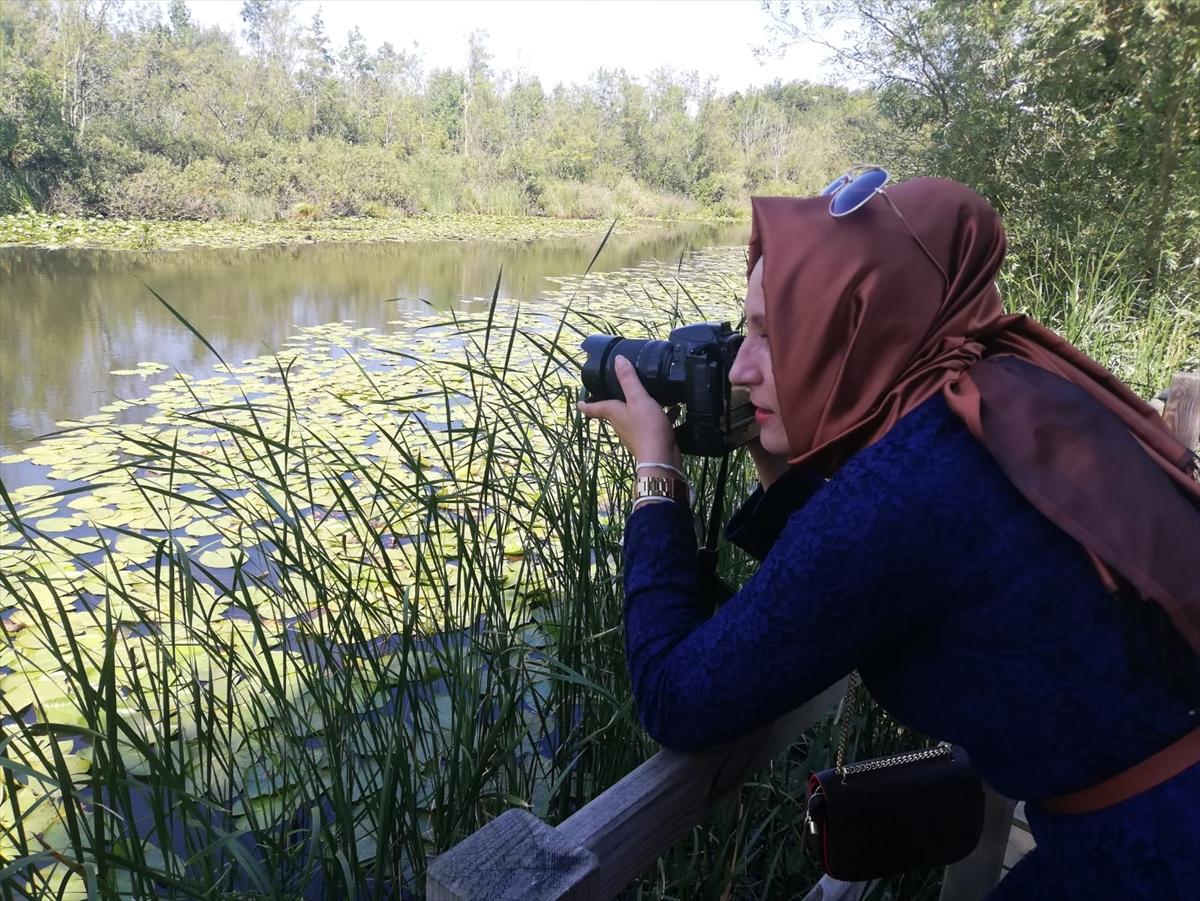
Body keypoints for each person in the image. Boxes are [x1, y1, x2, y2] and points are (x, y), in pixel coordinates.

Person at [578, 175, 1200, 899]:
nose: (742, 369)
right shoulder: (999, 386)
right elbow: (869, 569)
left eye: (775, 334)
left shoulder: (909, 484)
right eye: (743, 332)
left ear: (854, 327)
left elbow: (675, 697)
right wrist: (778, 457)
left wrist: (657, 472)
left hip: (1155, 851)